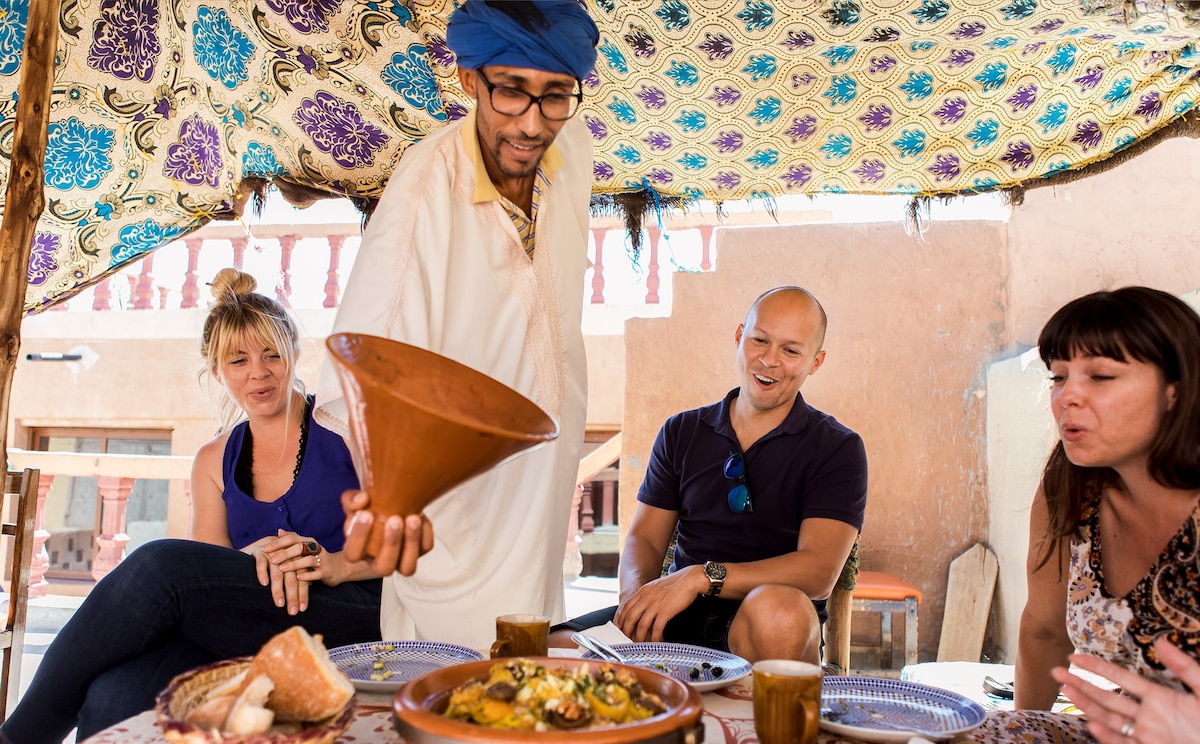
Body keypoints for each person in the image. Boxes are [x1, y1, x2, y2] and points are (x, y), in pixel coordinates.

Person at [314, 0, 599, 650]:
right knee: (457, 694)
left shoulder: (572, 150)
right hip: (456, 518)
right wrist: (388, 503)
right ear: (470, 80)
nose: (533, 123)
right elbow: (373, 362)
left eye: (555, 96)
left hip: (542, 491)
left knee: (528, 687)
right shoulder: (424, 192)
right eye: (511, 93)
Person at [0, 270, 383, 744]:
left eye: (271, 355)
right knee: (112, 696)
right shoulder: (212, 461)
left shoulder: (348, 431)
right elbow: (211, 580)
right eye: (238, 360)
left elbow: (408, 543)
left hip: (350, 613)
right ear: (218, 371)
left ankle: (18, 737)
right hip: (252, 620)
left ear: (295, 352)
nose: (258, 372)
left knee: (160, 564)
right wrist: (254, 557)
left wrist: (336, 564)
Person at [553, 287, 868, 664]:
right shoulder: (682, 431)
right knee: (545, 650)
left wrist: (702, 576)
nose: (769, 360)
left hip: (760, 624)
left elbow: (817, 572)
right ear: (739, 337)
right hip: (676, 614)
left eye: (791, 350)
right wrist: (636, 603)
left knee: (779, 614)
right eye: (760, 340)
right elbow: (646, 539)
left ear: (815, 362)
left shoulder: (836, 447)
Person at [972, 286, 1200, 743]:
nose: (1068, 396)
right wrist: (1021, 730)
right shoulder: (1069, 492)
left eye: (1101, 375)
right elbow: (1043, 631)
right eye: (1058, 377)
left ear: (1175, 390)